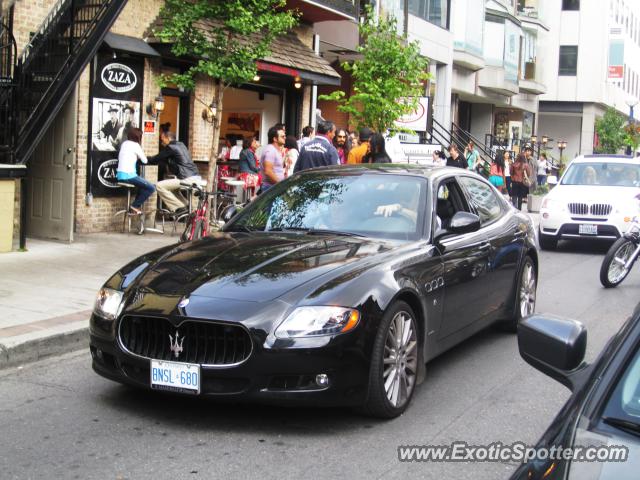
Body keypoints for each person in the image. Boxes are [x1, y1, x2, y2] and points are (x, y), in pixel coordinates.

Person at [149, 131, 201, 214]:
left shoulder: (171, 147)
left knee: (159, 186)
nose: (161, 142)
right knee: (173, 189)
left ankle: (179, 208)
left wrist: (143, 159)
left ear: (168, 138)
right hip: (195, 176)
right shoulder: (181, 145)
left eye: (162, 139)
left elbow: (155, 159)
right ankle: (187, 206)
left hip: (186, 178)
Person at [116, 128, 155, 215]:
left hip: (120, 175)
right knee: (151, 187)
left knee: (143, 186)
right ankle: (134, 206)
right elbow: (145, 161)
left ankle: (135, 206)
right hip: (129, 175)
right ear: (138, 137)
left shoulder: (124, 144)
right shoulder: (135, 145)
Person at [259, 125, 286, 192]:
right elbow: (268, 171)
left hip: (272, 187)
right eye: (282, 136)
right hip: (270, 188)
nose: (285, 138)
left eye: (284, 136)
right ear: (275, 139)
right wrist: (281, 184)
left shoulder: (274, 150)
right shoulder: (271, 150)